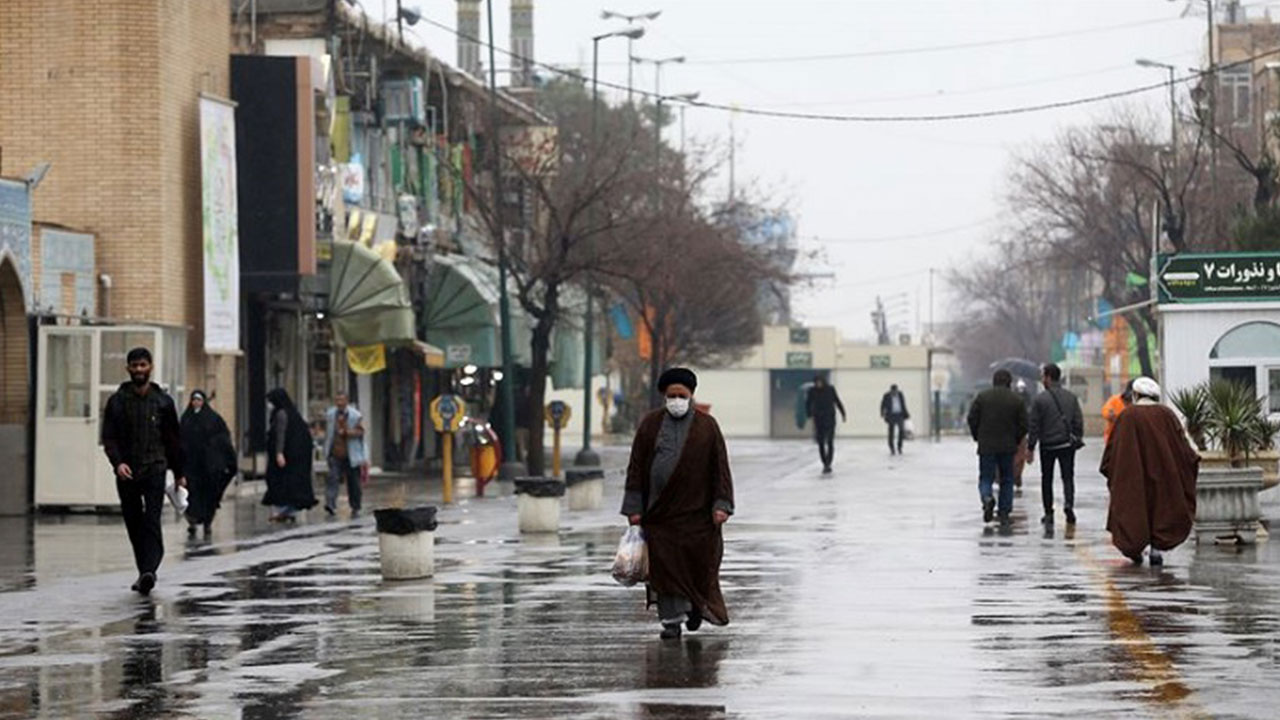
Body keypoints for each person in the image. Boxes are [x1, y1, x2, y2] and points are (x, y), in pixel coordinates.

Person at [621, 367, 735, 641]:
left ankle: (695, 606)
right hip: (660, 514)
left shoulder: (707, 427)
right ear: (664, 396)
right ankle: (671, 620)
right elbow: (636, 468)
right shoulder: (650, 425)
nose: (676, 400)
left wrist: (722, 504)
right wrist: (634, 508)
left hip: (698, 514)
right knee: (665, 567)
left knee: (697, 563)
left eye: (681, 395)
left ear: (691, 395)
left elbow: (720, 469)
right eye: (671, 395)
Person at [101, 347, 184, 595]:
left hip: (155, 468)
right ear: (128, 369)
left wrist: (179, 472)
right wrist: (118, 463)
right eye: (134, 366)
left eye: (142, 365)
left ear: (150, 367)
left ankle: (150, 569)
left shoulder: (163, 402)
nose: (138, 370)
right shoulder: (117, 402)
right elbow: (109, 437)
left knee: (151, 520)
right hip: (127, 471)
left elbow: (173, 440)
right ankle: (143, 571)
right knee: (134, 521)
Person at [1100, 377, 1199, 566]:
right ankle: (1156, 548)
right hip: (1164, 474)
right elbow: (1183, 447)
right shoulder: (1167, 415)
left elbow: (1112, 451)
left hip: (1133, 476)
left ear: (1136, 395)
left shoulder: (1127, 416)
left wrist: (1113, 471)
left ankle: (1135, 548)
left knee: (1135, 510)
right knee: (1161, 510)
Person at [967, 369, 1028, 527]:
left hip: (986, 445)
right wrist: (1016, 439)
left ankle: (987, 497)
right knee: (1007, 479)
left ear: (993, 382)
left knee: (986, 477)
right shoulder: (1016, 400)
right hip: (1008, 446)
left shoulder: (982, 397)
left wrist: (977, 436)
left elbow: (972, 418)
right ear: (1009, 383)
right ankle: (1004, 512)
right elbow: (1024, 424)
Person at [1027, 363, 1084, 527]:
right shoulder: (1071, 397)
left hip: (1048, 446)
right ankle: (1068, 505)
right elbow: (1078, 420)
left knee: (1047, 479)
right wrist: (1077, 437)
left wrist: (1031, 447)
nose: (1042, 379)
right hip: (1067, 444)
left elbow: (1034, 425)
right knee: (1068, 477)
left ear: (1049, 377)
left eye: (1043, 376)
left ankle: (1049, 513)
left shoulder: (1039, 400)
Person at [179, 390, 237, 538]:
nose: (196, 403)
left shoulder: (213, 419)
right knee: (190, 495)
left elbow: (223, 437)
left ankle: (207, 523)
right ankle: (192, 521)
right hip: (191, 465)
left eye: (198, 400)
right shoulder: (186, 419)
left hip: (208, 466)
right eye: (194, 400)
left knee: (208, 496)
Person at [263, 388, 317, 522]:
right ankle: (288, 511)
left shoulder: (281, 414)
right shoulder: (293, 414)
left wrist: (279, 453)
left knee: (281, 482)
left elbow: (281, 434)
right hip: (296, 456)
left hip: (287, 456)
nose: (269, 405)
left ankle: (284, 511)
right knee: (291, 483)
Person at [323, 392, 366, 517]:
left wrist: (348, 432)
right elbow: (328, 433)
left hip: (351, 454)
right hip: (335, 453)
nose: (339, 403)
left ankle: (355, 505)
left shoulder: (355, 415)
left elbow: (361, 432)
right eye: (337, 400)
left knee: (354, 482)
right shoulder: (331, 414)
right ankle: (330, 504)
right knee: (332, 479)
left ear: (347, 401)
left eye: (342, 400)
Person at [805, 375, 847, 474]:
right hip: (818, 419)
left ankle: (828, 463)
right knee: (820, 443)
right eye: (817, 382)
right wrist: (809, 414)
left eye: (820, 382)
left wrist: (843, 413)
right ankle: (824, 462)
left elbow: (837, 401)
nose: (818, 384)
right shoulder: (812, 391)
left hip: (830, 418)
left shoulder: (830, 389)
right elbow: (808, 403)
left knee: (830, 442)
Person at [1102, 379, 1136, 445]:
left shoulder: (1139, 404)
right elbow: (1105, 410)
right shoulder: (1115, 400)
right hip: (1114, 437)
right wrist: (1110, 415)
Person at [880, 384, 910, 455]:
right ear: (891, 391)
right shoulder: (886, 396)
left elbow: (903, 404)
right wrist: (882, 413)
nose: (894, 393)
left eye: (896, 391)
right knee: (891, 432)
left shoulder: (900, 395)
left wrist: (906, 413)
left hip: (900, 415)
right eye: (893, 392)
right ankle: (892, 448)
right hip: (891, 416)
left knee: (901, 431)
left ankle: (899, 447)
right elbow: (883, 405)